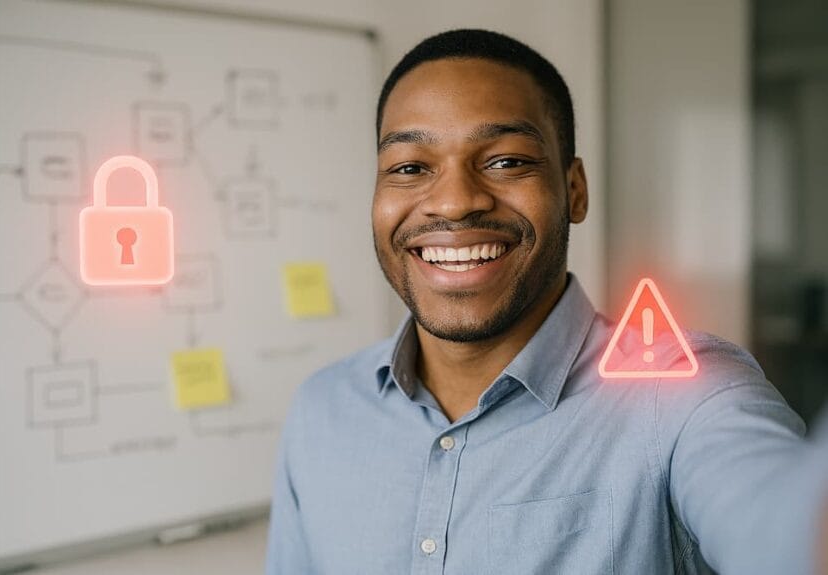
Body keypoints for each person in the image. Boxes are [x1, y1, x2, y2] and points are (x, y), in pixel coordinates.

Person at [265, 29, 826, 574]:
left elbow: (780, 525)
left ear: (574, 190)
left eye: (506, 161)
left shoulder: (686, 398)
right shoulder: (322, 411)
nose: (455, 203)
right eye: (410, 168)